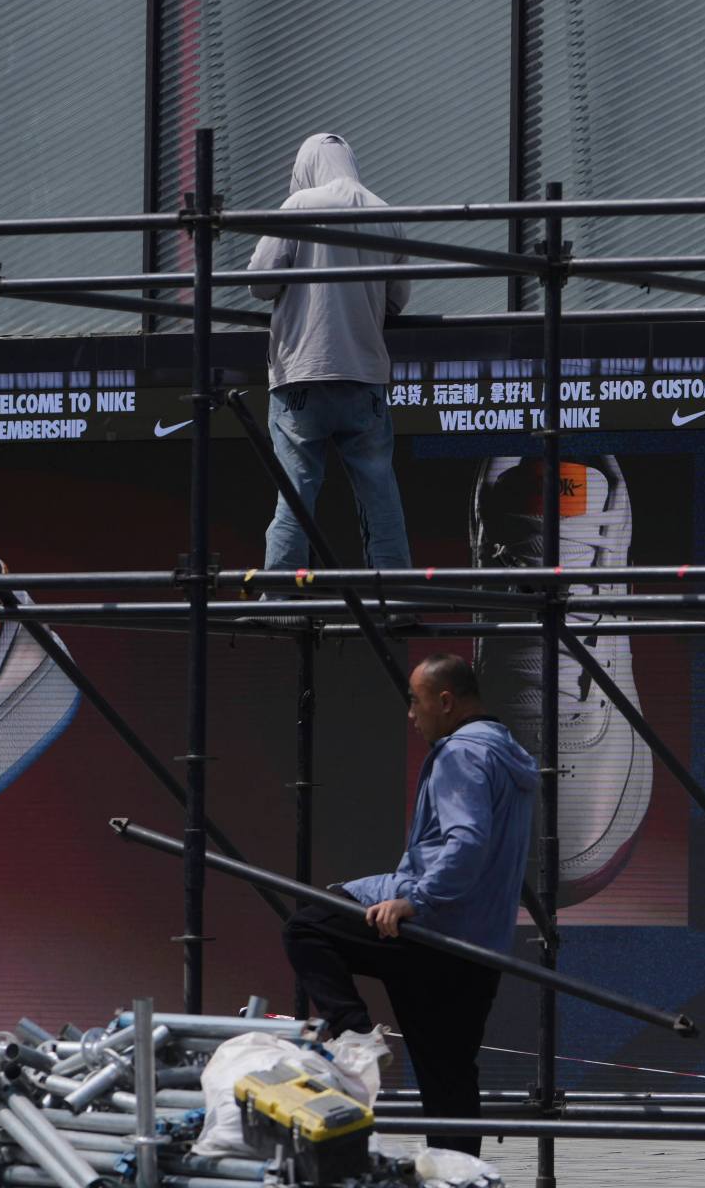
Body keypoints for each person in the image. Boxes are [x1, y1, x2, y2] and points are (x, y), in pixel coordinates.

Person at [282, 655, 535, 1157]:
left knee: (308, 927)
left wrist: (414, 900)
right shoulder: (507, 752)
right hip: (477, 948)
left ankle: (354, 1035)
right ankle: (459, 1174)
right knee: (449, 1079)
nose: (410, 714)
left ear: (445, 701)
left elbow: (465, 843)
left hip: (433, 931)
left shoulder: (461, 753)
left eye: (415, 702)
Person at [248, 132, 412, 576]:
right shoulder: (386, 213)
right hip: (365, 376)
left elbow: (260, 282)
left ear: (307, 168)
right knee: (380, 494)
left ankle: (280, 593)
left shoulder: (299, 206)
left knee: (296, 494)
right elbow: (397, 300)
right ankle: (398, 593)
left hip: (301, 375)